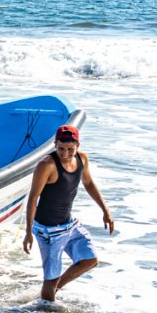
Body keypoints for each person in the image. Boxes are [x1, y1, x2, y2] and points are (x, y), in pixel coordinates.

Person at [23, 124, 113, 303]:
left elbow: (88, 183)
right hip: (48, 230)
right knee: (50, 279)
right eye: (61, 149)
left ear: (77, 146)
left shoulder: (82, 159)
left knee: (90, 259)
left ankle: (53, 291)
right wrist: (28, 232)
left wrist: (105, 210)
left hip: (69, 224)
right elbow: (33, 199)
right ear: (55, 144)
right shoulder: (46, 165)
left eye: (70, 149)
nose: (65, 154)